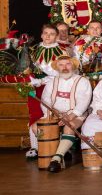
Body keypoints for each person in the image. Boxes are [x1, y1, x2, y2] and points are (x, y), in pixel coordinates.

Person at [34, 55, 93, 173]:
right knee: (35, 127)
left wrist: (70, 116)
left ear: (73, 66)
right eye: (61, 65)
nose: (64, 67)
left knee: (69, 126)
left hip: (76, 114)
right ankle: (59, 150)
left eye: (68, 64)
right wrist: (51, 114)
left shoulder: (83, 81)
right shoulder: (52, 82)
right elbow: (46, 100)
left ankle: (56, 159)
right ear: (57, 67)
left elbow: (83, 102)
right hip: (55, 113)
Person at [25, 24, 68, 159]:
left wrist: (43, 80)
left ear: (56, 36)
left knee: (51, 115)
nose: (48, 36)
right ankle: (35, 147)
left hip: (54, 87)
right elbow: (26, 68)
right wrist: (30, 78)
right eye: (46, 33)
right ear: (42, 35)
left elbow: (63, 72)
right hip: (34, 88)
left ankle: (57, 147)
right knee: (34, 115)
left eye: (52, 34)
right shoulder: (33, 50)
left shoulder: (62, 52)